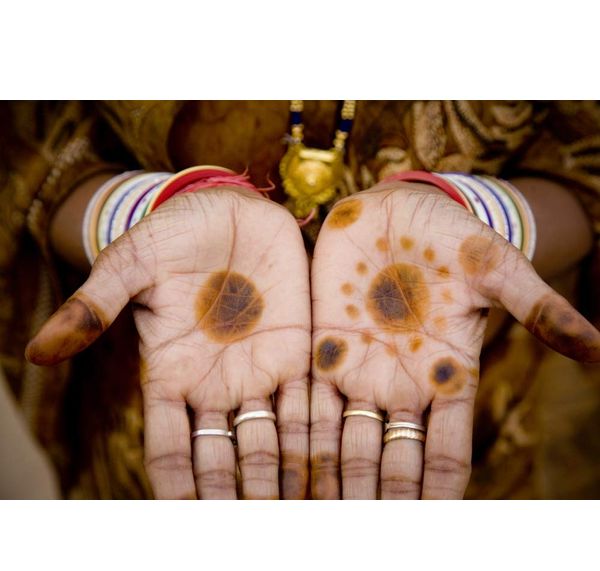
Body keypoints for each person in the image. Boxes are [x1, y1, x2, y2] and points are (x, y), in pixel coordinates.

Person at [1, 101, 599, 499]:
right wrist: (140, 220)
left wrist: (481, 231)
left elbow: (584, 172)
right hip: (174, 384)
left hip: (448, 399)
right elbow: (30, 156)